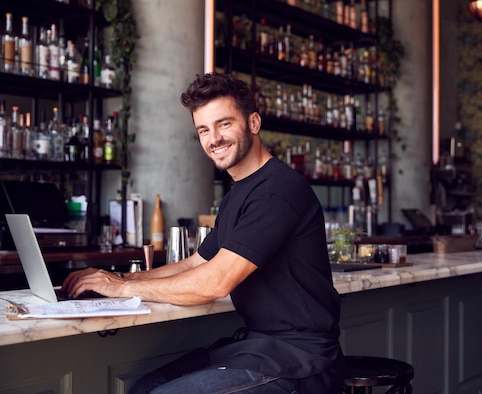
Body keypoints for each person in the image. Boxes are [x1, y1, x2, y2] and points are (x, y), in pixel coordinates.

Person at [62, 73, 345, 393]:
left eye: (224, 124)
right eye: (203, 130)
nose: (214, 139)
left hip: (301, 360)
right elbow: (197, 262)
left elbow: (215, 282)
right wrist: (120, 280)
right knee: (144, 387)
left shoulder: (277, 191)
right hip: (258, 348)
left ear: (253, 123)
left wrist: (118, 290)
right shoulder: (240, 192)